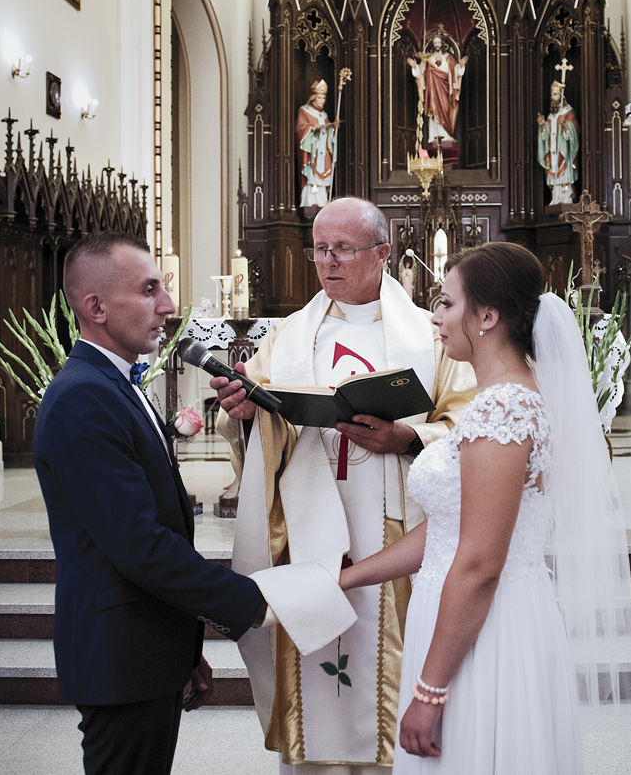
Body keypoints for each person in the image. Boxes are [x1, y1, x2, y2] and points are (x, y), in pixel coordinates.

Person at [338, 243, 631, 773]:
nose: (436, 317)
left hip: (485, 628)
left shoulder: (504, 408)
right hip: (480, 615)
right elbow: (451, 528)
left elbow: (480, 564)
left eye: (447, 303)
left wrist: (430, 691)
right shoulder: (508, 397)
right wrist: (348, 578)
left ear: (486, 317)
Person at [212, 197, 475, 774]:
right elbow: (260, 423)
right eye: (320, 250)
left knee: (386, 653)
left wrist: (408, 436)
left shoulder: (432, 336)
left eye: (343, 249)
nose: (328, 261)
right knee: (316, 668)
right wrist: (247, 413)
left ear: (383, 253)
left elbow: (468, 424)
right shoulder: (287, 337)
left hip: (394, 527)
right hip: (309, 523)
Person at [33, 231, 269, 775]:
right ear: (96, 307)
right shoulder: (83, 396)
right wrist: (252, 602)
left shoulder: (115, 381)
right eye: (148, 290)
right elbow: (140, 545)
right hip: (120, 656)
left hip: (145, 647)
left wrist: (181, 648)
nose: (168, 305)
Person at [407, 34, 467, 145]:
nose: (437, 45)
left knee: (446, 110)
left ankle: (446, 135)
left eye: (438, 42)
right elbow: (421, 74)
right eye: (435, 43)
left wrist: (461, 65)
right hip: (433, 90)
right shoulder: (428, 59)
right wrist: (415, 67)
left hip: (446, 90)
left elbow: (456, 71)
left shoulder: (448, 57)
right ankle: (433, 136)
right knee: (433, 111)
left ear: (442, 44)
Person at [297, 79, 339, 207]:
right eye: (320, 98)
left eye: (324, 98)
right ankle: (309, 202)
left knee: (324, 175)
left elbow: (329, 135)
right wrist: (311, 128)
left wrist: (333, 128)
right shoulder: (304, 111)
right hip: (313, 151)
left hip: (324, 151)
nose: (322, 101)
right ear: (313, 98)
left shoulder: (324, 115)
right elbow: (300, 128)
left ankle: (323, 202)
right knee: (312, 177)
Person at [537, 80, 579, 206]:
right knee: (554, 174)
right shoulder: (551, 116)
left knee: (564, 175)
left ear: (561, 96)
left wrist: (566, 125)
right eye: (552, 95)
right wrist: (543, 126)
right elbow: (545, 136)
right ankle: (555, 198)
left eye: (555, 94)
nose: (552, 97)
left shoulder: (568, 111)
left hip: (564, 151)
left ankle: (566, 199)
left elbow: (575, 130)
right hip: (553, 151)